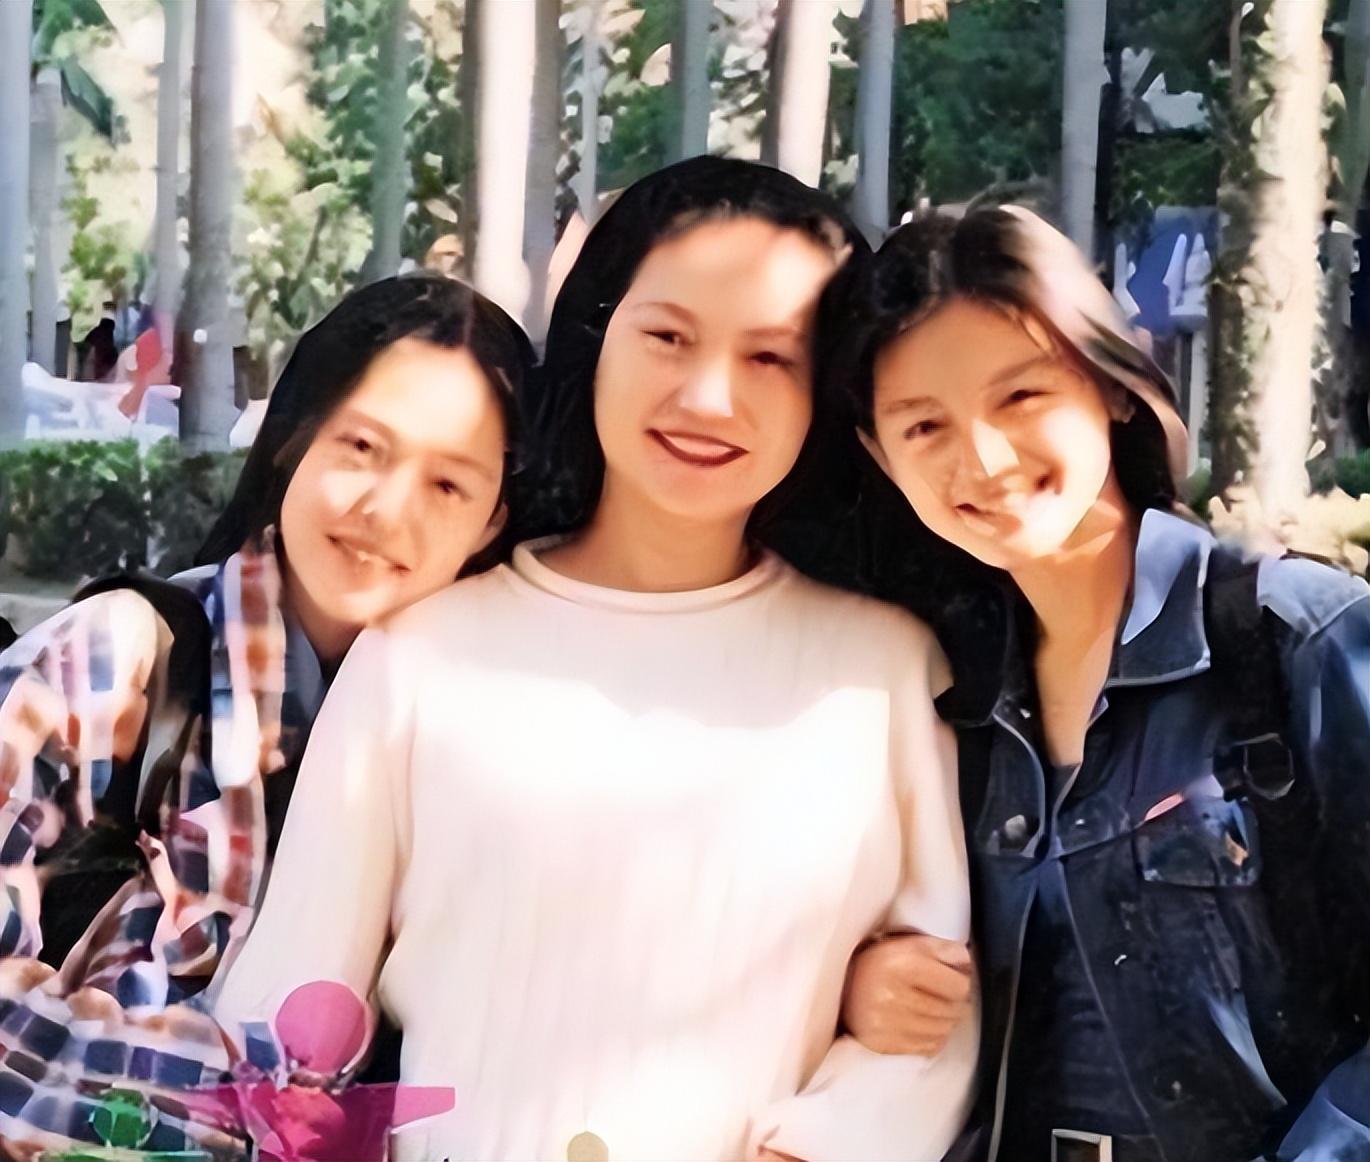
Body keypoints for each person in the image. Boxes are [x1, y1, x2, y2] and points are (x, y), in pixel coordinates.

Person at [216, 156, 977, 1162]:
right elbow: (288, 1020)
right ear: (598, 336)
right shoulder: (421, 657)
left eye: (769, 357)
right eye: (668, 336)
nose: (708, 397)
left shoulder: (879, 673)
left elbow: (931, 1022)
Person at [826, 206, 1370, 1162]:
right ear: (881, 455)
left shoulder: (1294, 637)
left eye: (1021, 396)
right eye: (925, 425)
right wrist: (863, 987)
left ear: (1112, 387)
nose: (982, 459)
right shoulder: (942, 694)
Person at [0, 273, 533, 1153]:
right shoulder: (119, 659)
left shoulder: (495, 752)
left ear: (491, 522)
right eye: (362, 446)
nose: (386, 510)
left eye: (448, 484)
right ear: (293, 437)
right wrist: (232, 1113)